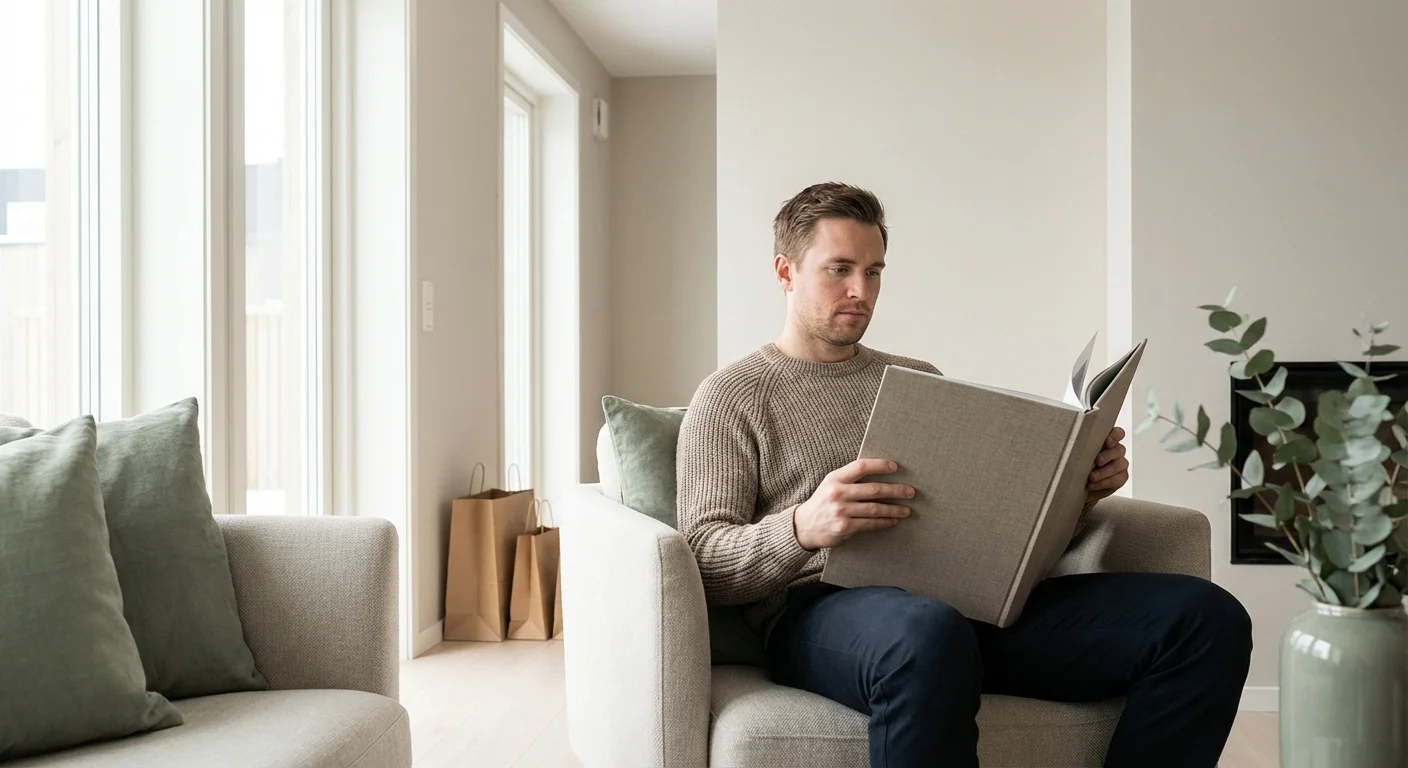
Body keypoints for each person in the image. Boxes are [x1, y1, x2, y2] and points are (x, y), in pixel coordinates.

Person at [675, 182, 1253, 768]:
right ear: (785, 272)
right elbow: (700, 562)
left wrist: (1081, 489)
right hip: (824, 613)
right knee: (927, 633)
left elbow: (994, 525)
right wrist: (801, 526)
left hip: (965, 603)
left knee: (1205, 618)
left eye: (874, 272)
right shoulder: (732, 396)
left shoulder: (917, 378)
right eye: (840, 269)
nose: (861, 291)